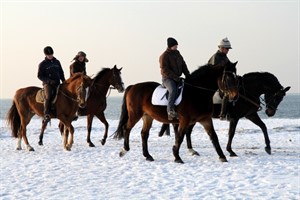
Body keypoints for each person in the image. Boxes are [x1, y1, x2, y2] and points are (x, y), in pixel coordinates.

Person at [159, 37, 190, 120]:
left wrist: (188, 75)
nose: (176, 47)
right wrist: (176, 78)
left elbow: (183, 65)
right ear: (170, 46)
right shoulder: (164, 56)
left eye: (177, 46)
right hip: (167, 78)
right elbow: (165, 70)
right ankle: (170, 110)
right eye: (175, 46)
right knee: (173, 89)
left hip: (177, 78)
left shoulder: (178, 54)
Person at [38, 46, 65, 123]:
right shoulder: (42, 64)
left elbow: (61, 72)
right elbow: (40, 76)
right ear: (46, 55)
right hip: (48, 84)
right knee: (49, 96)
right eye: (49, 55)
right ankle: (46, 114)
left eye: (51, 54)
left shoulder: (57, 62)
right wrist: (49, 81)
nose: (50, 56)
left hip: (58, 83)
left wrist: (64, 81)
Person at [208, 37, 233, 120]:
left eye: (228, 49)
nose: (228, 50)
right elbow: (214, 71)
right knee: (226, 93)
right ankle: (223, 114)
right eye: (227, 49)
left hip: (223, 81)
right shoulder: (216, 57)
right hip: (215, 81)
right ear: (222, 48)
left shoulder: (225, 57)